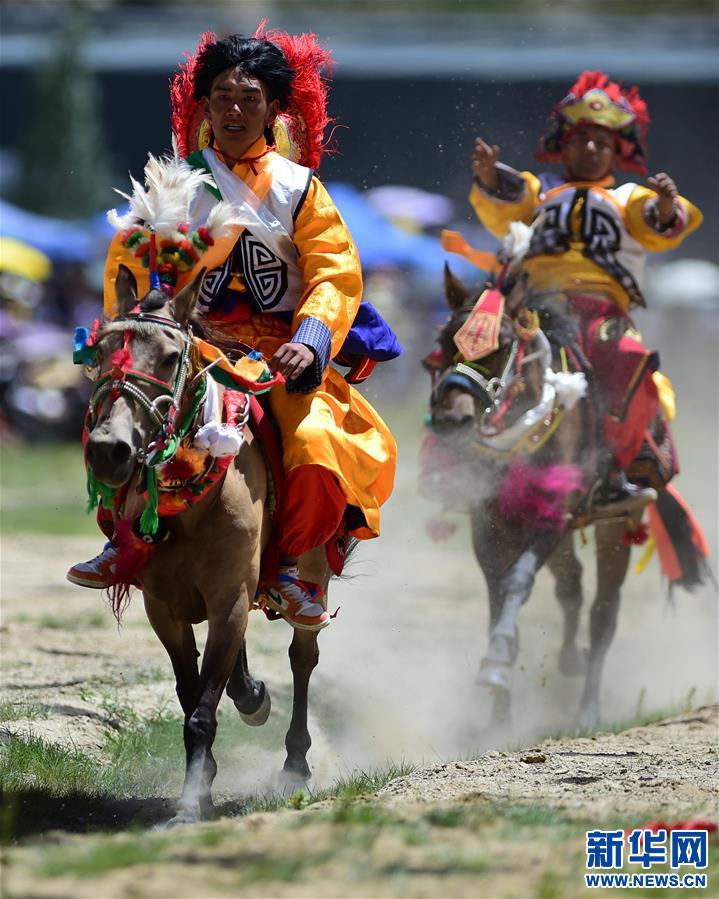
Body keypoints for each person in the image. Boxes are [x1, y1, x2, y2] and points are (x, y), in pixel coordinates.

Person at [67, 30, 399, 630]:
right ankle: (124, 538)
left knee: (318, 442)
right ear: (206, 106)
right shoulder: (175, 185)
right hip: (192, 345)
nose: (235, 109)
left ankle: (291, 567)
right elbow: (130, 267)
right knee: (124, 416)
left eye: (250, 98)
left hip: (280, 353)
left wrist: (312, 340)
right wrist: (139, 325)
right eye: (223, 96)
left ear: (273, 109)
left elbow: (334, 271)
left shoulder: (301, 189)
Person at [467, 70, 702, 506]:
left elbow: (661, 226)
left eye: (602, 142)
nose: (591, 149)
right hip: (534, 309)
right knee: (469, 343)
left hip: (601, 314)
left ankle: (616, 469)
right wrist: (488, 176)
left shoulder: (629, 199)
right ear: (564, 146)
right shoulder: (540, 192)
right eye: (582, 140)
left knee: (628, 357)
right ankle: (461, 451)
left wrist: (667, 205)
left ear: (617, 153)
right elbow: (507, 201)